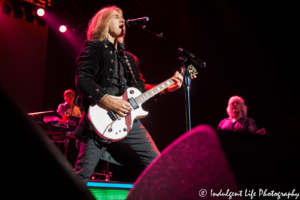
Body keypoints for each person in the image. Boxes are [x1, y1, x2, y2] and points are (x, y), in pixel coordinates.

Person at [73, 5, 183, 184]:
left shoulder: (130, 59)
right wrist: (108, 101)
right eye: (116, 16)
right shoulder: (95, 48)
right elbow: (83, 79)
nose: (122, 20)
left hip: (128, 120)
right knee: (81, 176)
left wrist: (167, 87)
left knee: (158, 164)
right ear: (103, 23)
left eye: (123, 17)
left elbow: (140, 90)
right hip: (98, 121)